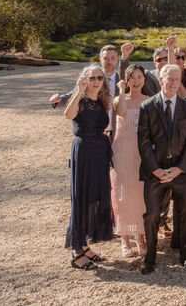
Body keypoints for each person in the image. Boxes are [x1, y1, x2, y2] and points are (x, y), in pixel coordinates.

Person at [136, 63, 186, 273]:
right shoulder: (148, 106)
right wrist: (155, 170)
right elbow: (143, 142)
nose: (172, 82)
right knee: (152, 214)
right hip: (155, 171)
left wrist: (179, 169)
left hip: (181, 171)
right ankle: (150, 257)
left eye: (176, 78)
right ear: (160, 80)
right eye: (168, 78)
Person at [63, 64, 114, 270]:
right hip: (84, 152)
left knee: (96, 196)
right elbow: (68, 115)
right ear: (84, 79)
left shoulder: (102, 100)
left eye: (99, 78)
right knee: (82, 197)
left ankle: (85, 245)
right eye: (91, 78)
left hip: (100, 152)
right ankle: (76, 252)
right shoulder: (81, 100)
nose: (95, 82)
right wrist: (78, 90)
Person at [111, 64, 148, 259]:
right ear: (127, 80)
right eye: (132, 77)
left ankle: (140, 236)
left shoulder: (148, 100)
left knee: (140, 194)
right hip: (122, 151)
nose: (136, 80)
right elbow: (122, 112)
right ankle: (125, 239)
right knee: (122, 194)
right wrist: (121, 89)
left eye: (139, 77)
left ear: (144, 79)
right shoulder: (120, 99)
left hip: (141, 152)